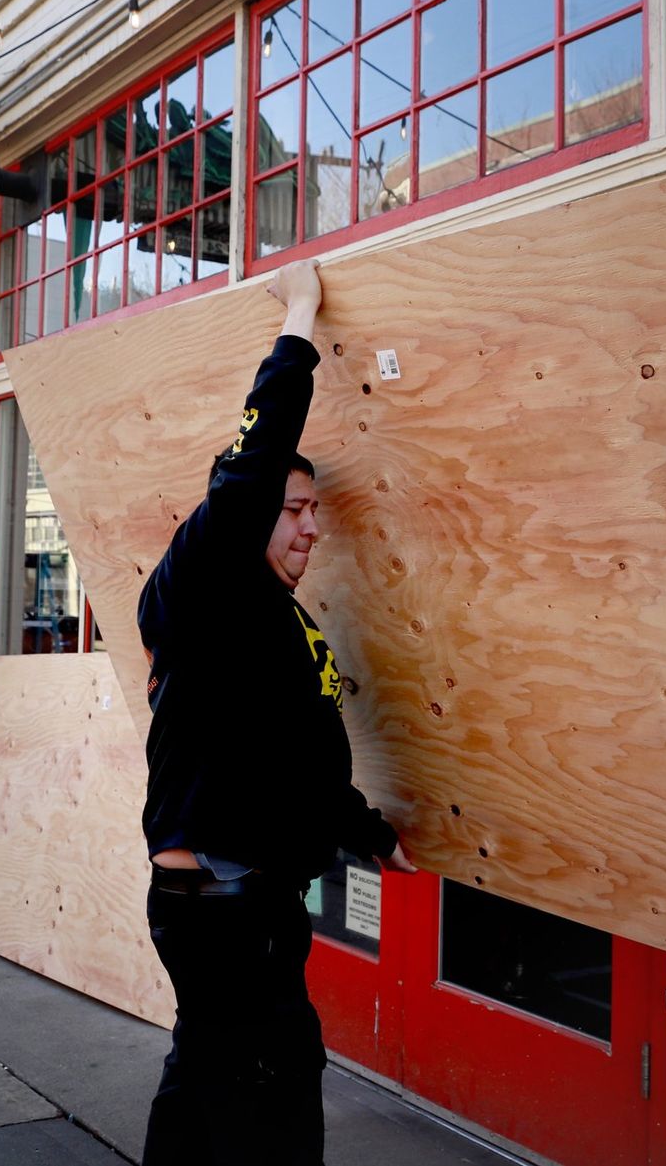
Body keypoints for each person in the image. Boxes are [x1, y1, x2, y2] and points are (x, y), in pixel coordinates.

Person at [137, 258, 415, 1166]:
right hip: (218, 902)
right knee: (262, 1085)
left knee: (229, 1078)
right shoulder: (205, 588)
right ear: (246, 515)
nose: (307, 526)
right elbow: (252, 468)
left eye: (313, 514)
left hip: (250, 901)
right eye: (291, 509)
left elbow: (303, 756)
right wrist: (299, 314)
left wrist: (366, 830)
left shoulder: (285, 629)